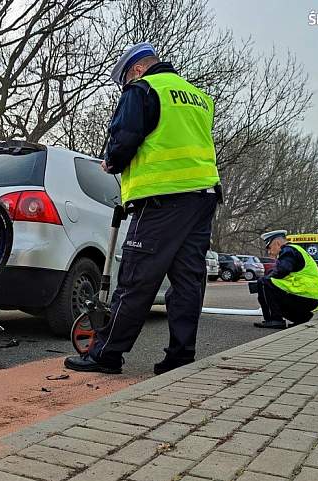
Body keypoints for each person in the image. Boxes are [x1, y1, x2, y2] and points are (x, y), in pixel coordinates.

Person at [64, 42, 221, 375]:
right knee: (188, 282)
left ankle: (105, 354)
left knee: (136, 280)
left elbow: (125, 135)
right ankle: (180, 357)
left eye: (124, 80)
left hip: (162, 198)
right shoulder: (198, 97)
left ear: (135, 70)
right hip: (203, 196)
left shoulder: (144, 88)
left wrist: (113, 161)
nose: (125, 87)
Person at [254, 230, 318, 329]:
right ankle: (301, 317)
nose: (269, 251)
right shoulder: (295, 250)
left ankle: (274, 319)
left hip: (304, 295)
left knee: (263, 283)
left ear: (277, 243)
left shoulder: (288, 251)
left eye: (269, 247)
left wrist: (265, 280)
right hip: (310, 298)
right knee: (270, 285)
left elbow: (282, 270)